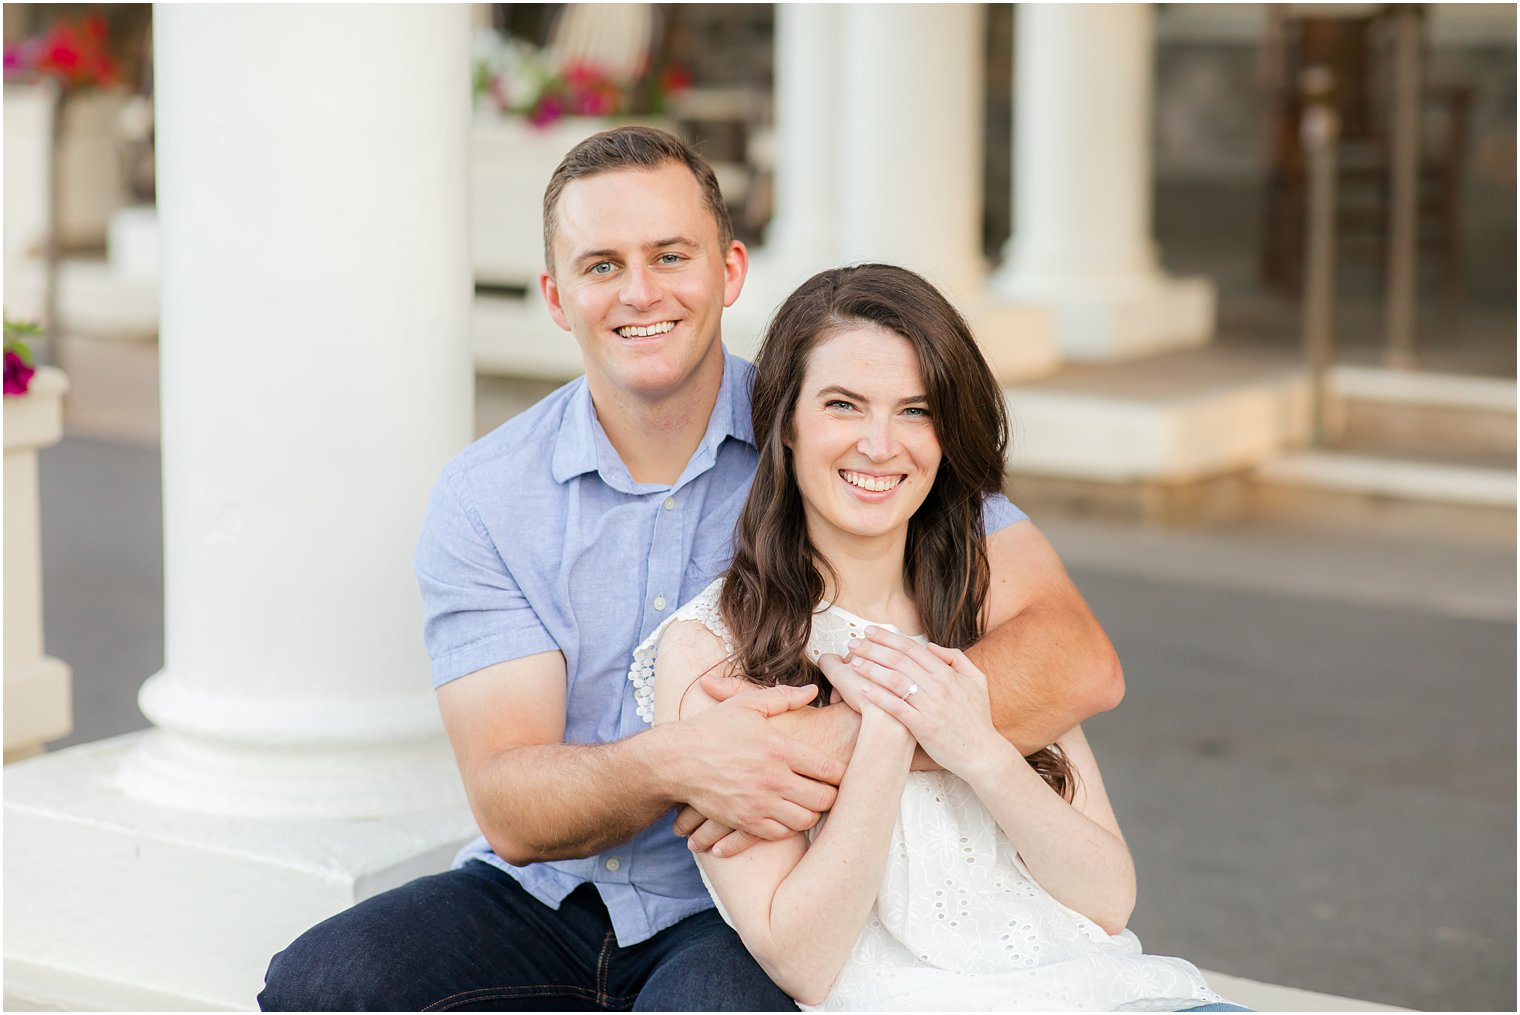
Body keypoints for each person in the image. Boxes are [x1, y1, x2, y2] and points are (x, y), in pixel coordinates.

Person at [259, 127, 1122, 1011]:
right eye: (601, 265)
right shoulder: (487, 497)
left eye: (671, 255)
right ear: (556, 297)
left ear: (730, 271)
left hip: (744, 903)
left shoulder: (835, 433)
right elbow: (512, 806)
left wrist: (806, 748)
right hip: (549, 893)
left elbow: (1074, 656)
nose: (641, 292)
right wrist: (680, 762)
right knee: (319, 984)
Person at [642, 263, 1246, 1012]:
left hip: (1101, 989)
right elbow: (803, 959)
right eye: (843, 404)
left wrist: (981, 748)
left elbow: (1107, 896)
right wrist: (890, 727)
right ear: (786, 426)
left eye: (915, 411)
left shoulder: (982, 607)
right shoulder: (711, 651)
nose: (880, 444)